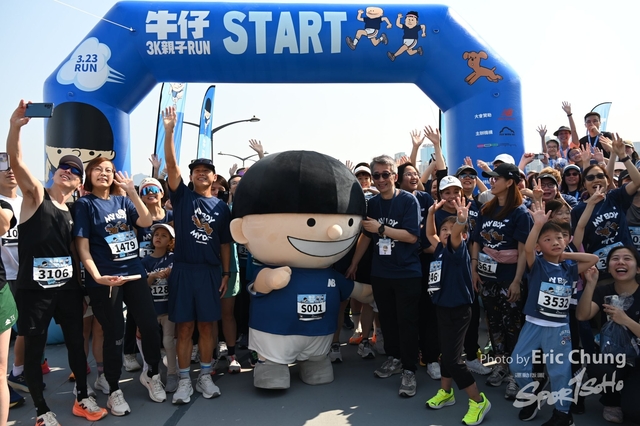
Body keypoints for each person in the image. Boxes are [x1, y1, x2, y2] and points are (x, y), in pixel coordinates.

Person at [7, 100, 107, 425]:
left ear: (79, 183)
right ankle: (41, 410)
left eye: (76, 171)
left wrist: (84, 287)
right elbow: (17, 162)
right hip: (35, 289)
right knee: (34, 348)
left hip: (68, 289)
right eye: (64, 166)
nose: (69, 171)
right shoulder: (36, 195)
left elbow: (77, 252)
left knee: (77, 344)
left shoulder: (74, 210)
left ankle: (82, 397)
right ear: (54, 171)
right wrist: (15, 128)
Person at [73, 157, 166, 415]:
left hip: (134, 273)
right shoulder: (84, 204)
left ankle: (152, 374)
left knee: (150, 326)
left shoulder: (123, 201)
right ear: (89, 175)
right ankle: (114, 389)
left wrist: (132, 191)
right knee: (114, 333)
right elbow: (82, 247)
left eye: (109, 170)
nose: (103, 174)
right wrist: (96, 277)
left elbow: (146, 222)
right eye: (98, 170)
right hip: (106, 279)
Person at [161, 106, 231, 404]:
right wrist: (169, 131)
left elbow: (225, 244)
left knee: (206, 326)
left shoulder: (222, 207)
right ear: (190, 177)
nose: (201, 173)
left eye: (206, 171)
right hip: (184, 270)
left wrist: (226, 274)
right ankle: (184, 381)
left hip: (210, 272)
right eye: (196, 171)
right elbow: (171, 165)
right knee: (184, 327)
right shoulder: (183, 197)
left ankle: (204, 376)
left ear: (214, 177)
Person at [511, 201, 597, 425]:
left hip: (559, 329)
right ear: (539, 246)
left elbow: (593, 259)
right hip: (534, 324)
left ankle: (563, 413)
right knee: (517, 364)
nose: (555, 242)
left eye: (559, 238)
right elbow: (528, 249)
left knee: (560, 371)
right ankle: (531, 396)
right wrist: (537, 225)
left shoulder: (569, 268)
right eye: (547, 240)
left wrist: (565, 255)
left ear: (566, 240)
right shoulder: (538, 265)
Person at [346, 155, 422, 398]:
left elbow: (411, 236)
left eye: (385, 174)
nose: (380, 179)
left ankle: (409, 370)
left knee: (407, 322)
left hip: (407, 273)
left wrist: (381, 228)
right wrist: (355, 263)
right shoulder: (373, 204)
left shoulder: (408, 200)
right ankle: (395, 358)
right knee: (387, 321)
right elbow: (366, 237)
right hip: (381, 273)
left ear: (395, 176)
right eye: (376, 175)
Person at [424, 197, 492, 425]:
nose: (447, 233)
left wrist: (461, 221)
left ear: (462, 236)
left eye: (452, 231)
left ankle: (478, 401)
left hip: (459, 311)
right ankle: (446, 393)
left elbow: (455, 235)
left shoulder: (458, 249)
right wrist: (431, 214)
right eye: (444, 229)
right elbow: (429, 234)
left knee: (453, 360)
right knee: (446, 354)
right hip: (442, 309)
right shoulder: (439, 249)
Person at [471, 163, 533, 400]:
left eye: (496, 178)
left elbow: (523, 250)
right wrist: (474, 268)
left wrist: (517, 281)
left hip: (509, 278)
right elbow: (477, 241)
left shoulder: (520, 213)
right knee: (494, 323)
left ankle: (517, 374)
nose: (492, 181)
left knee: (513, 326)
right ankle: (501, 364)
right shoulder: (485, 209)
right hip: (487, 279)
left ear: (510, 182)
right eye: (490, 178)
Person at [576, 246, 640, 424]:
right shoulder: (603, 291)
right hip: (613, 357)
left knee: (634, 412)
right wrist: (590, 284)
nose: (621, 262)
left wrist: (625, 320)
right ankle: (611, 401)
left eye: (627, 258)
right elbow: (582, 315)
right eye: (615, 259)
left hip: (638, 360)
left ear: (638, 268)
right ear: (609, 267)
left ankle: (629, 391)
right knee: (597, 366)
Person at [571, 135, 640, 285]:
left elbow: (637, 181)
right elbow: (576, 244)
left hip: (627, 265)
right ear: (584, 184)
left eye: (600, 176)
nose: (596, 179)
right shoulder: (578, 210)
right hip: (600, 273)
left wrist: (622, 156)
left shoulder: (615, 197)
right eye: (590, 178)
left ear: (607, 181)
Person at [0, 166, 26, 409]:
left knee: (29, 327)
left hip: (28, 276)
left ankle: (18, 372)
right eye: (2, 168)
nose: (9, 172)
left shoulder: (28, 200)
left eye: (12, 167)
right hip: (4, 278)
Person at [141, 223, 178, 392]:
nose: (159, 238)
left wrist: (171, 275)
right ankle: (152, 373)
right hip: (151, 311)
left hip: (168, 309)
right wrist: (153, 276)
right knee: (152, 343)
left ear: (170, 241)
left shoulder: (173, 259)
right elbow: (142, 287)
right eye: (156, 234)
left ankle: (172, 374)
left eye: (164, 236)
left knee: (168, 341)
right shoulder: (145, 261)